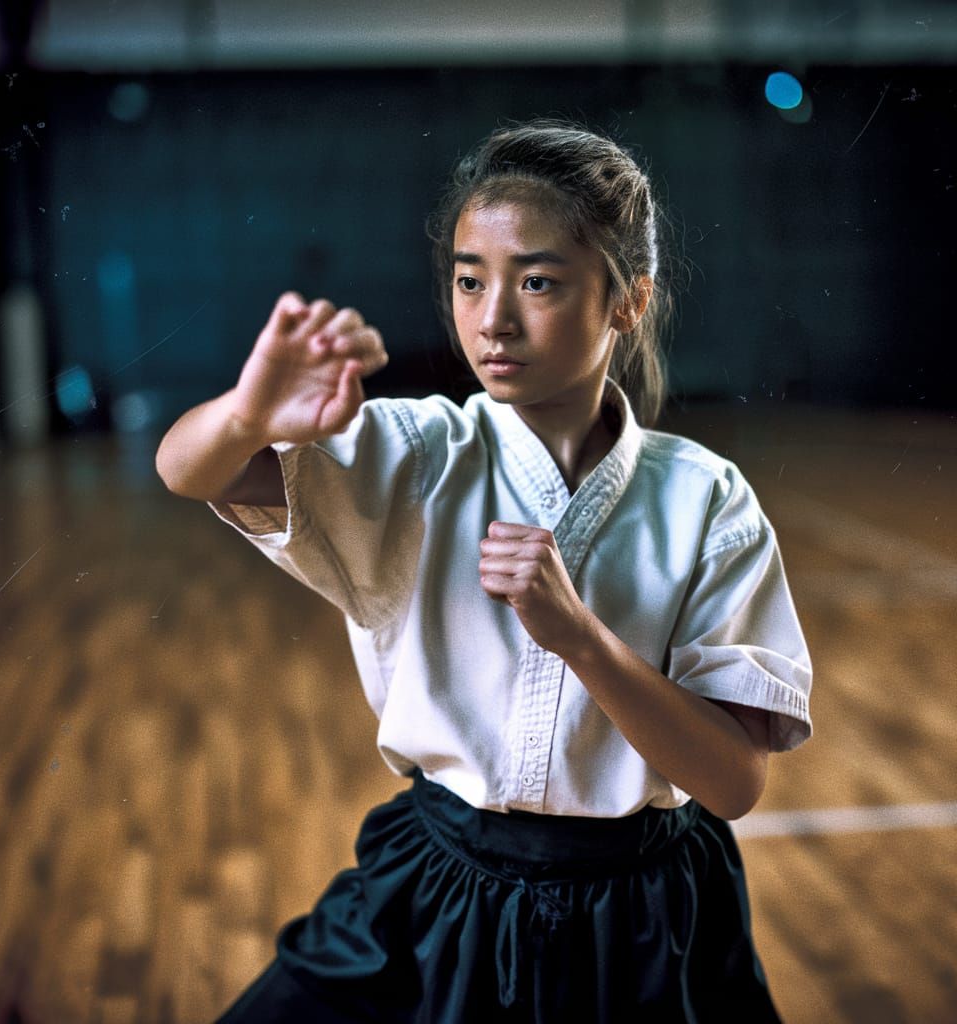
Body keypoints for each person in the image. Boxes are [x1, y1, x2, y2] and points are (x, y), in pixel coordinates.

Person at [156, 119, 812, 1023]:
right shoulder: (418, 451)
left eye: (537, 281)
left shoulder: (707, 498)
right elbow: (188, 470)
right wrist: (246, 410)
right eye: (470, 280)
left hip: (644, 922)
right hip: (432, 888)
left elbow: (735, 784)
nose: (492, 318)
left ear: (629, 300)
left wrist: (581, 638)